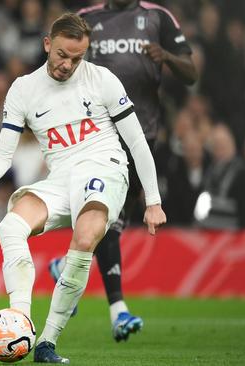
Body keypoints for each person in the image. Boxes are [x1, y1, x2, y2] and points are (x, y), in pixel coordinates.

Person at [0, 13, 165, 364]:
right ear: (47, 44)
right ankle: (19, 322)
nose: (68, 65)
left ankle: (47, 344)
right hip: (61, 177)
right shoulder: (23, 89)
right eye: (62, 55)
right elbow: (2, 154)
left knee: (85, 237)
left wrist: (153, 200)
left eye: (77, 58)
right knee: (9, 226)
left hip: (105, 168)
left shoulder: (103, 80)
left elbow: (137, 142)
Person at [47, 0, 196, 342]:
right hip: (96, 136)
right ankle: (118, 311)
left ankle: (66, 267)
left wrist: (167, 58)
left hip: (141, 135)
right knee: (107, 217)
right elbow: (57, 68)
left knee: (111, 220)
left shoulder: (157, 17)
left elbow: (191, 74)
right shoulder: (86, 20)